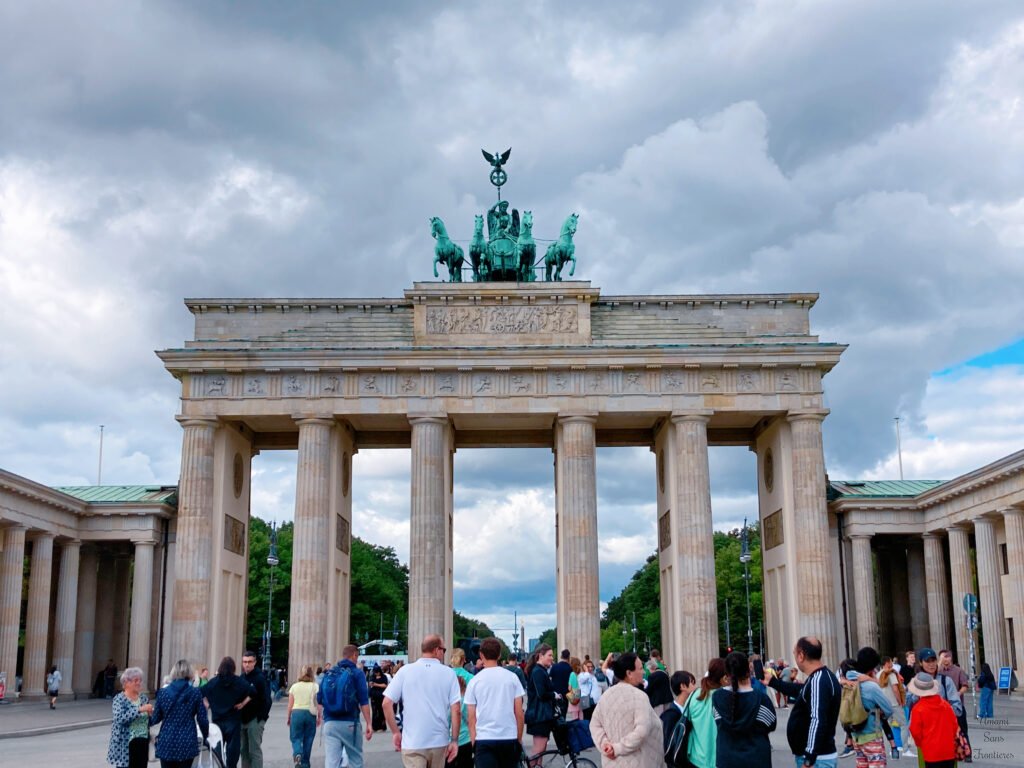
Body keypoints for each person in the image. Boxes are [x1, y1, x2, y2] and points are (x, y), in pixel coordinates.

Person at [383, 634, 461, 768]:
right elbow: (456, 709)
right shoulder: (449, 673)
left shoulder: (405, 671)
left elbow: (386, 703)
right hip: (439, 741)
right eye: (444, 650)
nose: (444, 653)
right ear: (437, 650)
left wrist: (396, 732)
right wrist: (454, 740)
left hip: (413, 741)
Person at [764, 636, 841, 768]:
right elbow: (799, 690)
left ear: (801, 655)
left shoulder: (818, 681)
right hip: (820, 757)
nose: (794, 657)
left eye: (795, 653)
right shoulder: (822, 677)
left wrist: (809, 759)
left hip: (817, 760)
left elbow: (817, 720)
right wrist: (773, 682)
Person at [590, 651, 663, 767]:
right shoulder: (639, 697)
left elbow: (594, 725)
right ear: (629, 673)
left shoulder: (606, 696)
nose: (643, 671)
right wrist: (617, 748)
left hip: (612, 763)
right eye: (640, 669)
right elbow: (642, 731)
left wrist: (605, 745)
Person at [466, 637, 526, 768]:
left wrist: (473, 742)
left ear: (481, 655)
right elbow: (519, 713)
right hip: (508, 737)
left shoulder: (474, 681)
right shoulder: (512, 678)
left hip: (484, 738)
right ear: (499, 655)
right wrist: (519, 738)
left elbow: (471, 718)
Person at [713, 650, 777, 768]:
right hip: (756, 759)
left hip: (727, 759)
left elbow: (718, 721)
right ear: (748, 670)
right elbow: (771, 725)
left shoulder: (717, 697)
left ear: (726, 673)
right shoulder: (761, 699)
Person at [150, 659, 210, 768]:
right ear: (189, 673)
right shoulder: (195, 692)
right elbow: (202, 719)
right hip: (187, 741)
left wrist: (144, 718)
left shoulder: (163, 693)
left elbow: (155, 718)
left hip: (166, 741)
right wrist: (206, 736)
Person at [320, 645, 372, 768]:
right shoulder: (357, 673)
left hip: (330, 723)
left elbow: (319, 699)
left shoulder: (329, 673)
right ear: (354, 655)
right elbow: (363, 701)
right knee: (355, 761)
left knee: (332, 763)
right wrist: (369, 723)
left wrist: (321, 718)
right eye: (357, 656)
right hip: (350, 723)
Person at [843, 647, 893, 768]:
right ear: (872, 667)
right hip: (872, 735)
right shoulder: (871, 686)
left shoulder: (849, 681)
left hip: (856, 735)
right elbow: (889, 709)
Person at [203, 656, 255, 768]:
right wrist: (242, 704)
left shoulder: (213, 682)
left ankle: (219, 765)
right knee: (233, 751)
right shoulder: (239, 682)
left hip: (217, 721)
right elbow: (253, 692)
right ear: (233, 668)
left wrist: (209, 704)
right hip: (233, 720)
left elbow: (200, 693)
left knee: (217, 748)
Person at [906, 673, 959, 768]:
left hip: (931, 752)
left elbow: (915, 732)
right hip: (948, 750)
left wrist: (920, 744)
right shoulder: (946, 705)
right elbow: (954, 726)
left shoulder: (918, 709)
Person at [682, 658, 726, 768]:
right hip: (720, 757)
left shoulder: (694, 695)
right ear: (724, 678)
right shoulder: (725, 697)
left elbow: (686, 721)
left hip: (697, 758)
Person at [107, 667, 153, 768]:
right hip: (126, 743)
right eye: (136, 680)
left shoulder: (143, 698)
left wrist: (150, 715)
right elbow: (120, 718)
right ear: (126, 682)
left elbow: (150, 721)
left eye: (140, 680)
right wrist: (139, 710)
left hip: (143, 741)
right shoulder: (119, 699)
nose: (139, 683)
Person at [523, 644, 558, 764]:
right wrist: (554, 695)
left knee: (540, 750)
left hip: (539, 715)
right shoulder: (538, 671)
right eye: (550, 655)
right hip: (539, 715)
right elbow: (541, 694)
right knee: (538, 750)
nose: (552, 658)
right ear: (540, 656)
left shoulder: (539, 670)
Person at [239, 650, 272, 768]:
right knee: (243, 751)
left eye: (249, 662)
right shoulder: (241, 677)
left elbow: (267, 700)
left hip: (255, 720)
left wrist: (261, 718)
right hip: (243, 719)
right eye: (244, 662)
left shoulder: (260, 678)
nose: (246, 664)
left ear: (254, 662)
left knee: (254, 751)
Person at [937, 649, 971, 757]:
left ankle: (967, 753)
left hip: (957, 706)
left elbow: (965, 686)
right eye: (943, 657)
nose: (945, 659)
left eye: (947, 657)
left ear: (951, 658)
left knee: (963, 730)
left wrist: (957, 694)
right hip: (943, 708)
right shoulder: (939, 672)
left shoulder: (958, 671)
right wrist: (939, 662)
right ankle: (950, 752)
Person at [287, 665, 321, 768]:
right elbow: (318, 704)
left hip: (297, 713)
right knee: (309, 739)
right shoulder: (315, 686)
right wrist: (319, 717)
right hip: (310, 714)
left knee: (295, 737)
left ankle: (297, 753)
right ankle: (305, 763)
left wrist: (288, 717)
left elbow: (290, 705)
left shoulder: (294, 686)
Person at [660, 670, 696, 766]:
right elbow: (668, 747)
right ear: (683, 686)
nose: (695, 687)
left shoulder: (690, 710)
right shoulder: (670, 715)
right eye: (692, 683)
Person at [879, 657, 910, 756]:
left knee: (889, 726)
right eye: (890, 661)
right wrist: (900, 701)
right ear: (887, 662)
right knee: (904, 725)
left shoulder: (878, 674)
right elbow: (895, 689)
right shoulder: (891, 674)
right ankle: (905, 749)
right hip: (894, 704)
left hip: (884, 704)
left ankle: (893, 747)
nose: (892, 663)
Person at [549, 649, 573, 719]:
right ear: (568, 657)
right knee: (563, 715)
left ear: (561, 656)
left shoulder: (554, 666)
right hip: (565, 695)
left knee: (555, 714)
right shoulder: (570, 668)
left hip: (555, 694)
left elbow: (550, 679)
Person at [368, 664, 389, 731]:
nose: (376, 673)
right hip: (374, 697)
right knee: (374, 712)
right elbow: (370, 683)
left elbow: (385, 685)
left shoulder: (384, 677)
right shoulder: (372, 677)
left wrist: (376, 684)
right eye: (375, 672)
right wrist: (371, 684)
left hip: (381, 696)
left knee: (381, 711)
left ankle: (382, 726)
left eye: (377, 672)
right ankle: (375, 727)